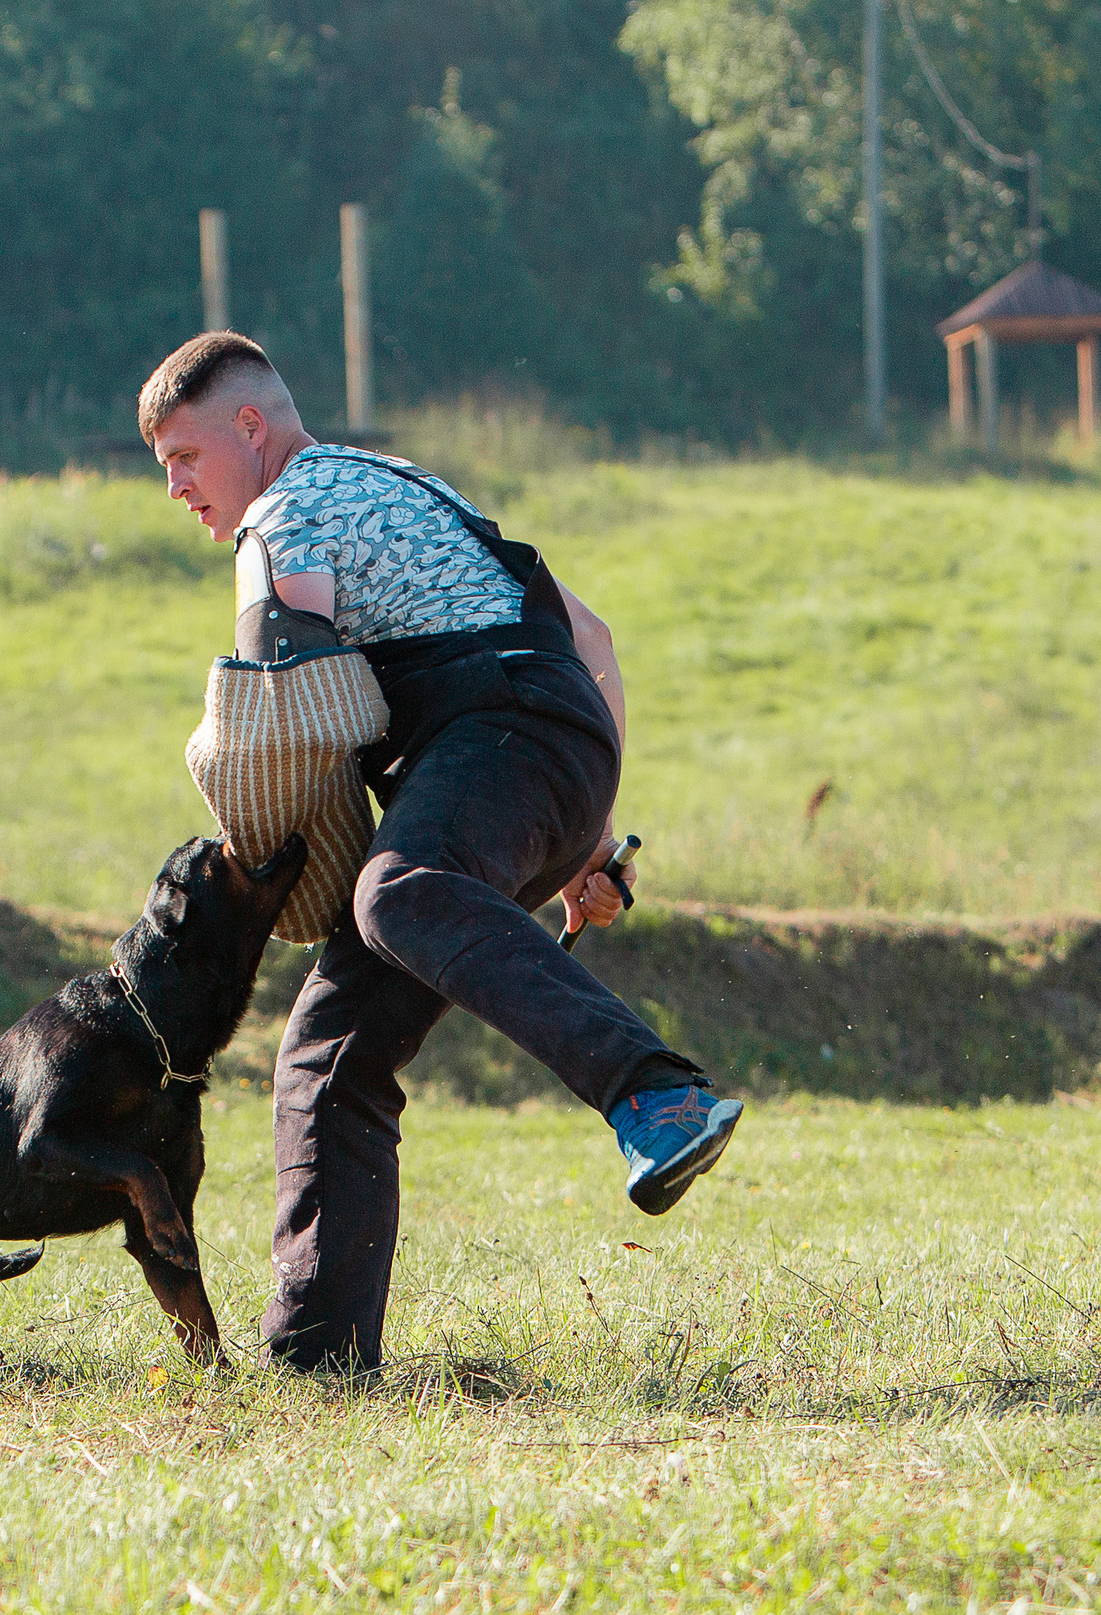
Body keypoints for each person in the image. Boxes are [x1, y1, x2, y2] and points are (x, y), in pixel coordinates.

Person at [137, 332, 743, 1372]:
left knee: (396, 888)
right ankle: (320, 1358)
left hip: (493, 734)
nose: (178, 488)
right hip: (544, 744)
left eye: (186, 456)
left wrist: (262, 850)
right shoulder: (403, 481)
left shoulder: (282, 517)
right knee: (331, 1052)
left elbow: (278, 704)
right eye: (164, 469)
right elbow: (588, 638)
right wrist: (586, 830)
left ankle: (654, 1090)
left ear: (250, 424)